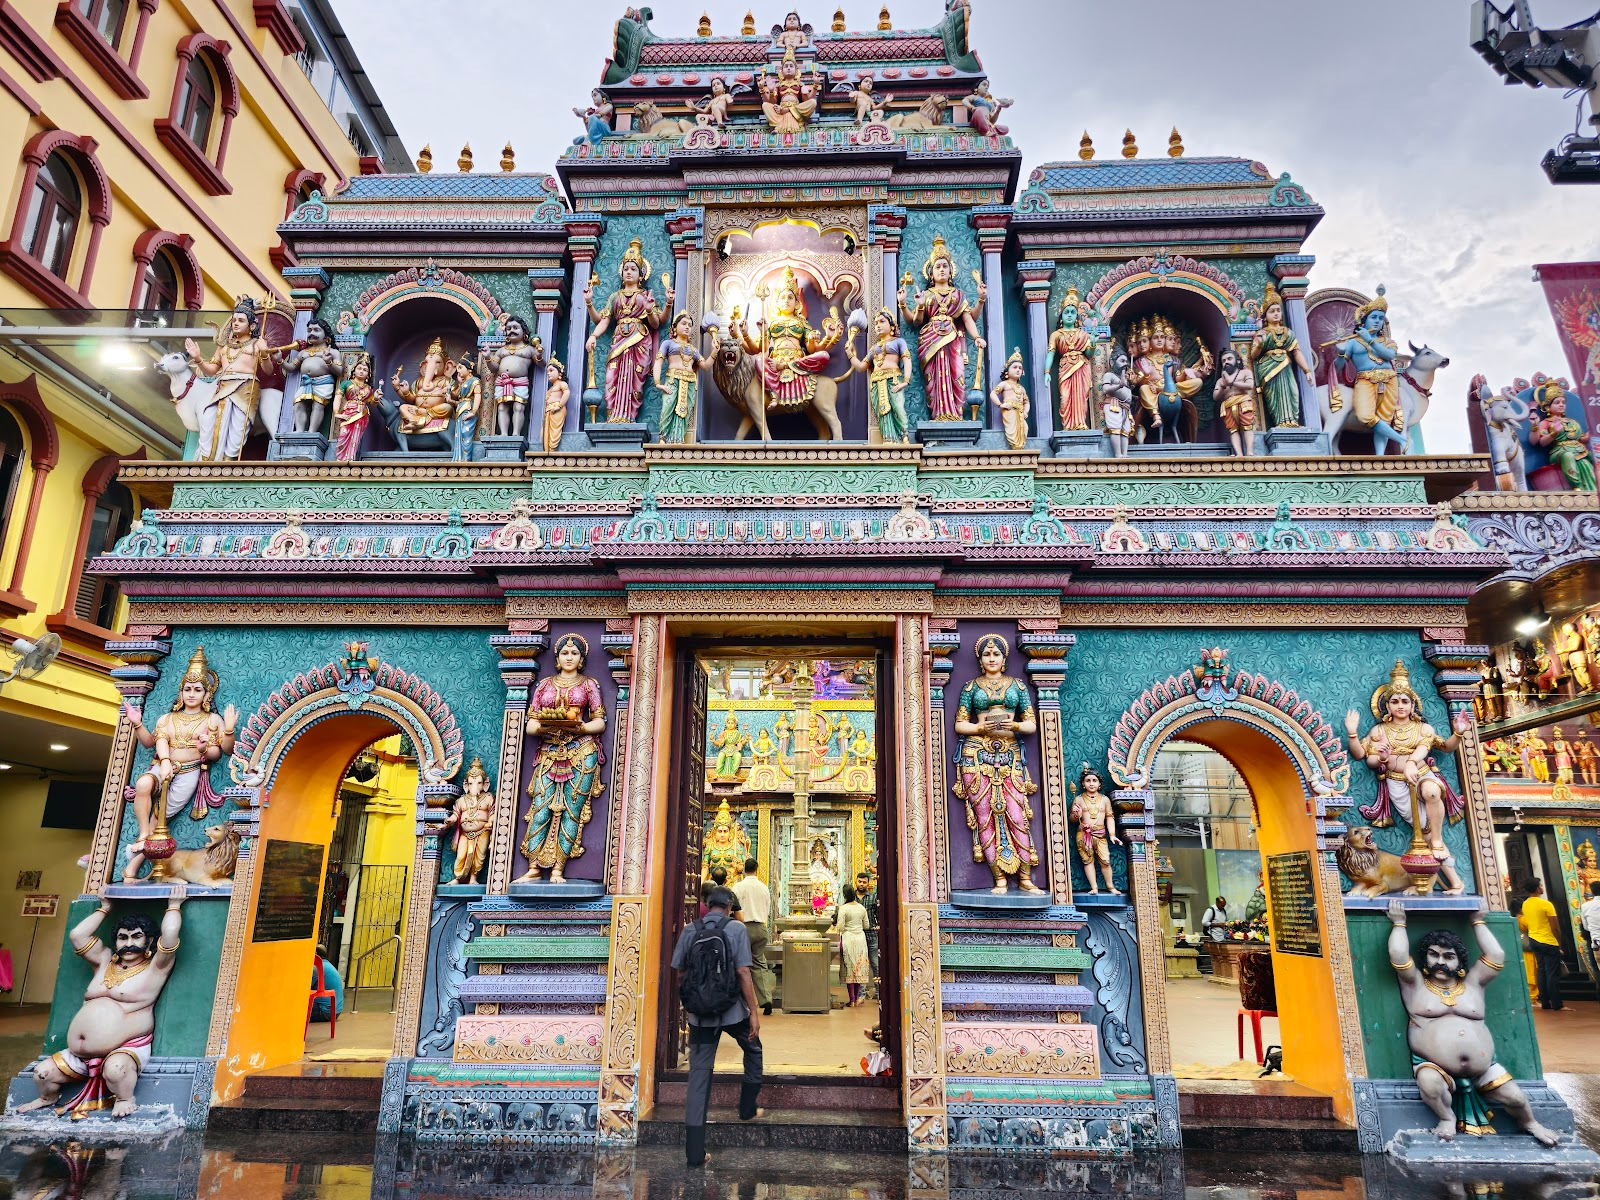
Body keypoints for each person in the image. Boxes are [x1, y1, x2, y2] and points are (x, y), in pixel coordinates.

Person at [671, 887, 762, 1167]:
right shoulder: (736, 930)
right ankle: (747, 1107)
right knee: (753, 1048)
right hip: (733, 1011)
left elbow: (680, 972)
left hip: (700, 1017)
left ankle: (695, 1152)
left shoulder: (690, 930)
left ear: (706, 904)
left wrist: (695, 999)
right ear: (730, 905)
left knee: (699, 1076)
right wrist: (754, 1012)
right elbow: (743, 972)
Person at [732, 857, 774, 1015]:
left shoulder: (738, 887)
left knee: (740, 965)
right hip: (760, 927)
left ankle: (741, 1002)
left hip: (743, 928)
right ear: (757, 869)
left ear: (744, 869)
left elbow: (733, 908)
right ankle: (765, 999)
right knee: (760, 964)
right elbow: (767, 909)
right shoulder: (763, 887)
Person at [1521, 879, 1565, 1011]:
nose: (1542, 887)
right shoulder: (1546, 904)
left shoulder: (1525, 904)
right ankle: (1557, 1004)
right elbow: (1555, 928)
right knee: (1552, 974)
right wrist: (1559, 945)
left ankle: (1545, 1002)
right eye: (1540, 886)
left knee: (1541, 971)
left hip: (1534, 940)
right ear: (1537, 889)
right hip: (1548, 940)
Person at [837, 884, 872, 1008]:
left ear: (845, 895)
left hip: (848, 938)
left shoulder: (843, 908)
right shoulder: (861, 908)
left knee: (849, 969)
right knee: (858, 968)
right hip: (860, 939)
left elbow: (840, 926)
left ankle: (851, 1000)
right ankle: (856, 999)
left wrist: (845, 927)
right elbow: (866, 925)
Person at [854, 870, 880, 998]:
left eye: (864, 882)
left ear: (868, 884)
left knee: (875, 963)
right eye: (860, 882)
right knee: (859, 964)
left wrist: (877, 926)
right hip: (856, 936)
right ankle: (860, 994)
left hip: (871, 935)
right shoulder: (851, 898)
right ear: (856, 882)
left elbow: (878, 914)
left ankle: (879, 992)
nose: (862, 884)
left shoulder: (872, 897)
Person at [311, 945, 344, 1023]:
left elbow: (302, 987)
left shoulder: (317, 968)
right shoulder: (327, 965)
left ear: (315, 953)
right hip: (335, 1012)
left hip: (324, 1011)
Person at [1581, 880, 1600, 993]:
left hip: (1596, 943)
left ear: (1592, 892)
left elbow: (1586, 927)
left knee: (1597, 969)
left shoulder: (1586, 906)